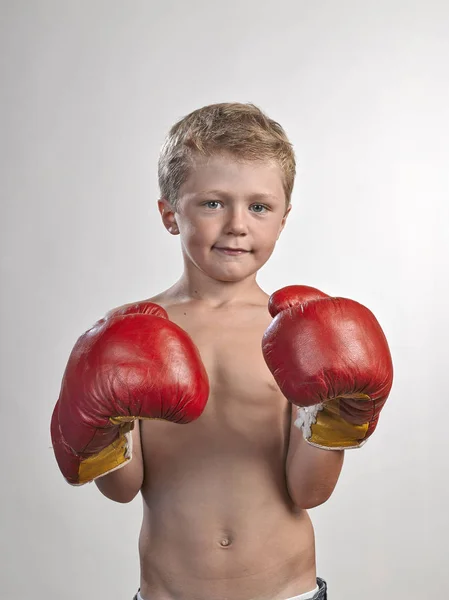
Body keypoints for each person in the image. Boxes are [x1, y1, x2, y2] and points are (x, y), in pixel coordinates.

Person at [51, 102, 393, 600]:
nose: (237, 224)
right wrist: (101, 427)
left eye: (259, 206)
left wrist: (340, 415)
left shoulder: (299, 332)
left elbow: (309, 492)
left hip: (286, 591)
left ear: (283, 219)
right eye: (213, 203)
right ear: (171, 213)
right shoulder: (136, 332)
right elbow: (123, 489)